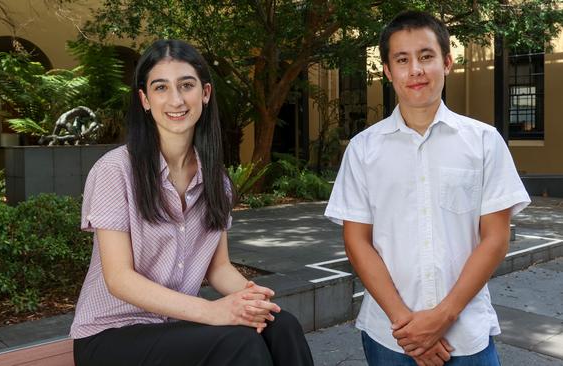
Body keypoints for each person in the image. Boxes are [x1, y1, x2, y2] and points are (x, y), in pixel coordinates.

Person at [69, 39, 313, 366]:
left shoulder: (216, 179)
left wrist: (252, 300)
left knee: (281, 326)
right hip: (111, 335)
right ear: (144, 99)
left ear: (205, 93)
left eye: (186, 85)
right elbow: (119, 279)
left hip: (173, 329)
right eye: (161, 88)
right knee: (239, 344)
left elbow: (218, 268)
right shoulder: (116, 170)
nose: (176, 100)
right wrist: (211, 311)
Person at [325, 10, 530, 366]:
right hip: (389, 334)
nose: (415, 70)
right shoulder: (363, 149)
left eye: (426, 56)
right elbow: (357, 240)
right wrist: (408, 327)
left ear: (447, 62)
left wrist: (442, 318)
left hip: (465, 335)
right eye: (402, 60)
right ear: (388, 71)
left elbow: (495, 238)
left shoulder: (484, 142)